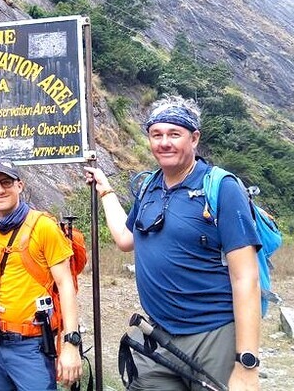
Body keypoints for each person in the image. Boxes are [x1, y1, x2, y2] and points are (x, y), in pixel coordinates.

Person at [84, 95, 261, 391]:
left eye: (174, 134)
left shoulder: (222, 188)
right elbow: (126, 239)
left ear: (194, 138)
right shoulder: (150, 186)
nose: (164, 142)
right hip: (158, 333)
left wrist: (246, 366)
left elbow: (246, 278)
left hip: (213, 335)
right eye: (156, 134)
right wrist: (106, 191)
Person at [0, 157, 82, 390]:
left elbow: (65, 284)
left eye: (6, 182)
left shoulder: (43, 227)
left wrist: (71, 343)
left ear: (20, 185)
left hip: (32, 346)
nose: (0, 190)